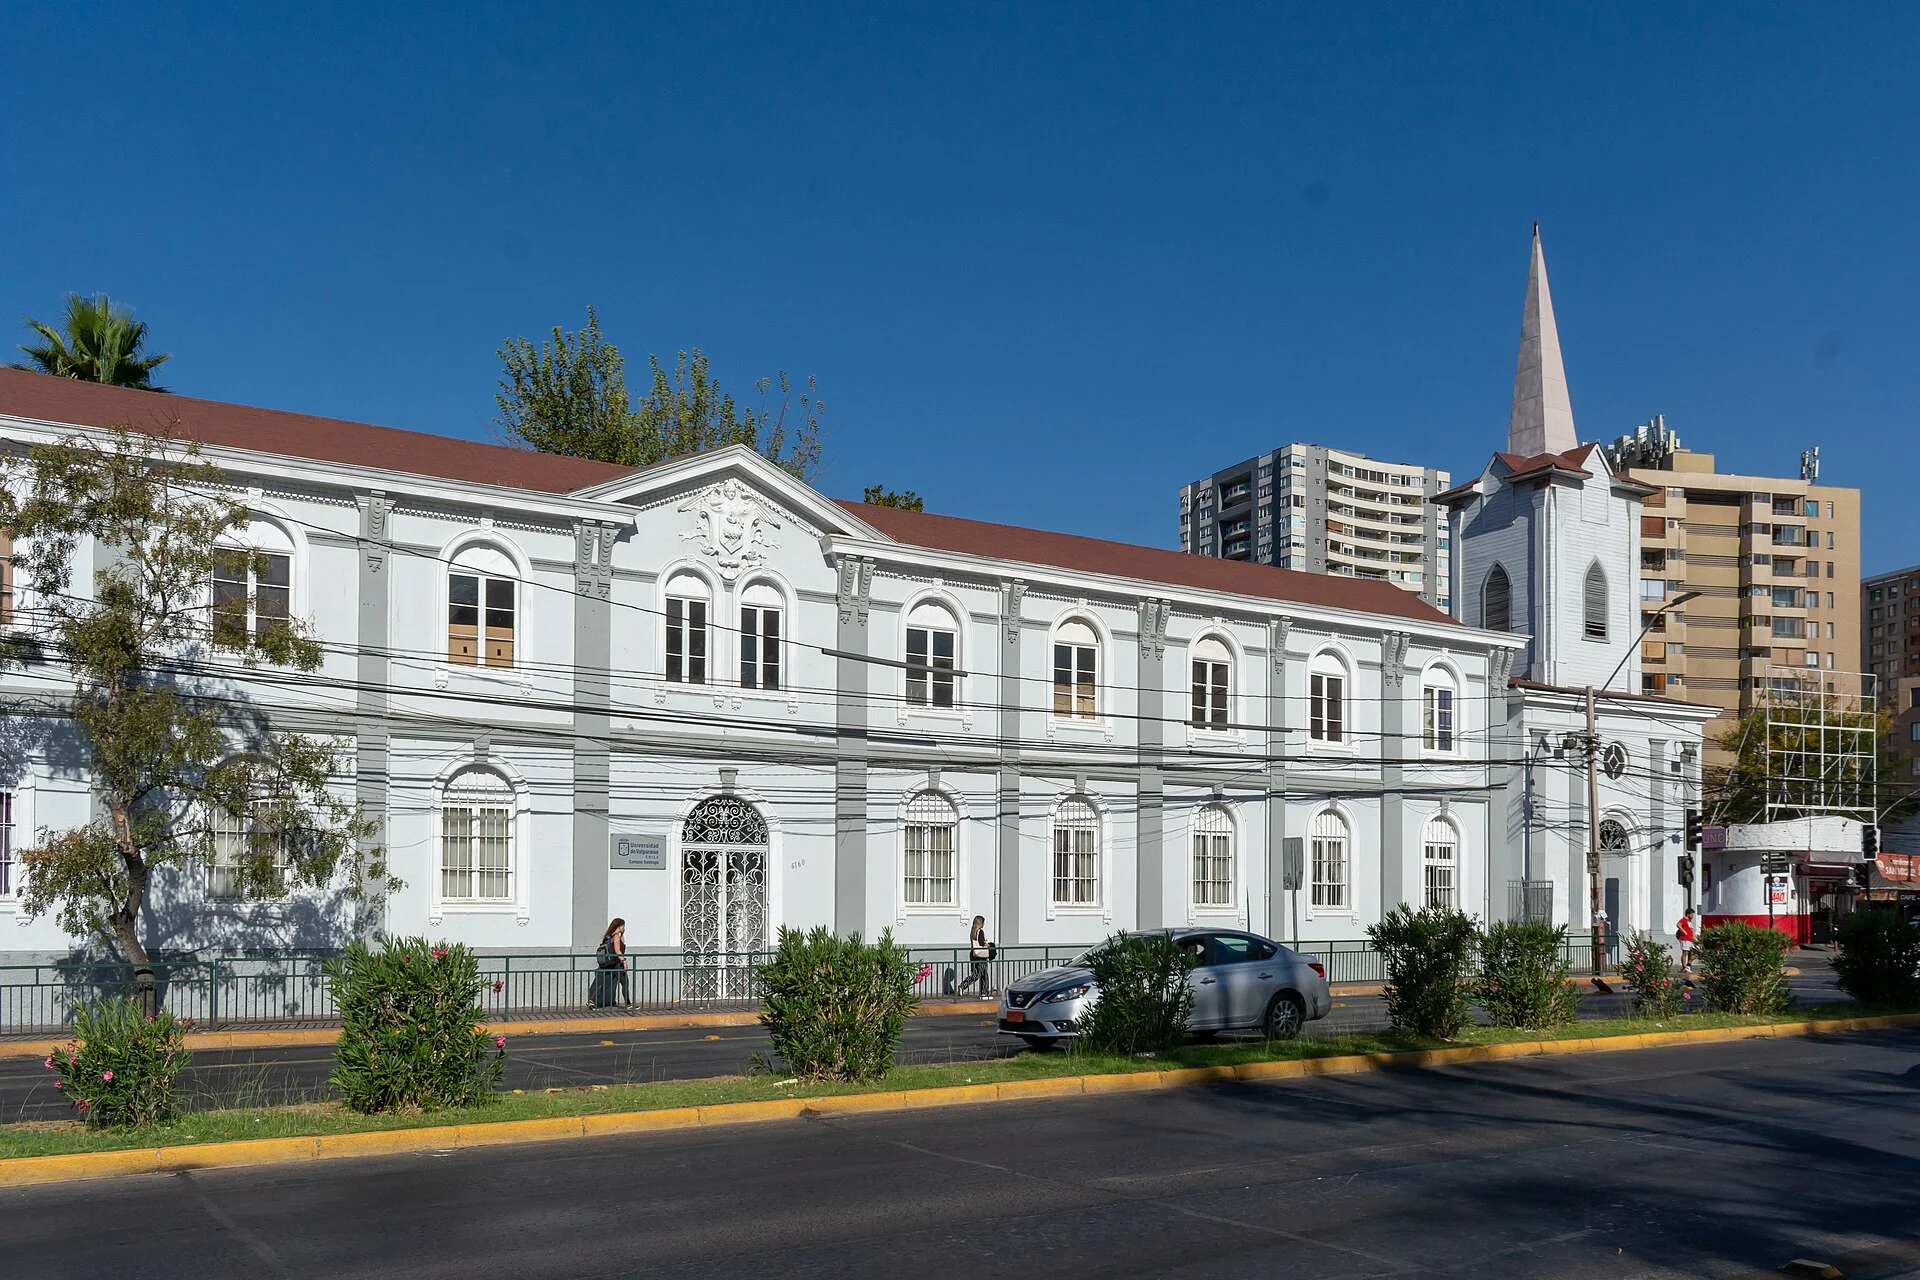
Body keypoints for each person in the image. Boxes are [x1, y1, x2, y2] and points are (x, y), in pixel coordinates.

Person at [590, 917, 630, 1009]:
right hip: (616, 964)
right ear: (619, 927)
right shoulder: (616, 936)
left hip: (609, 964)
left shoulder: (609, 936)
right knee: (625, 983)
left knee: (605, 985)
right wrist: (624, 961)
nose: (624, 928)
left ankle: (592, 1001)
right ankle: (628, 1005)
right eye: (623, 926)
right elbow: (617, 950)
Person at [959, 915, 993, 998]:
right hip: (981, 955)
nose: (984, 924)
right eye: (983, 922)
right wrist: (987, 944)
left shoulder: (973, 931)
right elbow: (981, 943)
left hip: (974, 954)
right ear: (980, 923)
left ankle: (963, 986)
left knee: (977, 974)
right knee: (983, 974)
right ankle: (984, 992)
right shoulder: (980, 931)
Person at [1676, 907, 1699, 975]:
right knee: (1685, 953)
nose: (1693, 916)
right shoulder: (1684, 920)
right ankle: (1684, 966)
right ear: (1688, 914)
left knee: (1694, 952)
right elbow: (1678, 925)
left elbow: (1691, 930)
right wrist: (1684, 932)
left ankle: (1688, 964)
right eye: (1692, 914)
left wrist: (1693, 938)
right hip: (1685, 939)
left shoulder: (1689, 921)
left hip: (1690, 939)